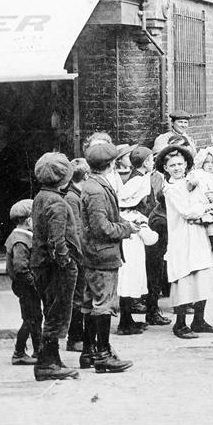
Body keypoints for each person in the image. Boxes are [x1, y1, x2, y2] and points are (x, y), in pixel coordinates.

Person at [155, 145, 213, 339]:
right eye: (172, 165)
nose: (177, 168)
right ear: (165, 168)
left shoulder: (193, 182)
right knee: (184, 279)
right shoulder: (171, 189)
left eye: (180, 164)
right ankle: (180, 324)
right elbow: (187, 212)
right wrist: (205, 208)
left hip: (200, 234)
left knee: (204, 275)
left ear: (186, 164)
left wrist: (204, 206)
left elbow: (206, 199)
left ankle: (199, 320)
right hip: (183, 237)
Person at [80, 142, 136, 373]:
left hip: (95, 254)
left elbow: (108, 218)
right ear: (111, 164)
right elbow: (101, 227)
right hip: (101, 255)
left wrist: (126, 223)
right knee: (103, 304)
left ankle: (88, 352)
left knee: (89, 303)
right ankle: (102, 355)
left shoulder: (94, 184)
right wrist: (127, 230)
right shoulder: (95, 189)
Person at [30, 153, 82, 380]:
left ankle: (51, 359)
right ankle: (47, 364)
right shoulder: (57, 203)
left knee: (51, 310)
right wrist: (66, 261)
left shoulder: (41, 197)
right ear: (64, 179)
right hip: (56, 269)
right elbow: (57, 240)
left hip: (42, 266)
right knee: (57, 313)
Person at [126, 146, 171, 326]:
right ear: (146, 162)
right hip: (147, 228)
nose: (153, 162)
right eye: (151, 159)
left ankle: (151, 310)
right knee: (154, 271)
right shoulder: (139, 180)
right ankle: (152, 311)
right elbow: (144, 204)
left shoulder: (138, 177)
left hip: (147, 226)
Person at [115, 174, 160, 335]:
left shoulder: (119, 217)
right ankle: (125, 324)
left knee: (124, 289)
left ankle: (127, 320)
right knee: (130, 287)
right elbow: (150, 239)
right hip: (133, 259)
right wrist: (156, 235)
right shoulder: (138, 218)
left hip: (122, 258)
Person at [6, 199, 42, 365]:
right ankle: (19, 353)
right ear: (29, 220)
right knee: (30, 319)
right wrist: (33, 284)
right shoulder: (20, 239)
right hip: (26, 287)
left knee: (35, 317)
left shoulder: (21, 236)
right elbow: (20, 268)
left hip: (26, 286)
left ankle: (38, 351)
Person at [63, 158, 91, 352]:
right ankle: (74, 338)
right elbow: (76, 230)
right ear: (86, 176)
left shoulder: (76, 195)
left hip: (80, 255)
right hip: (78, 256)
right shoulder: (73, 198)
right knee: (78, 298)